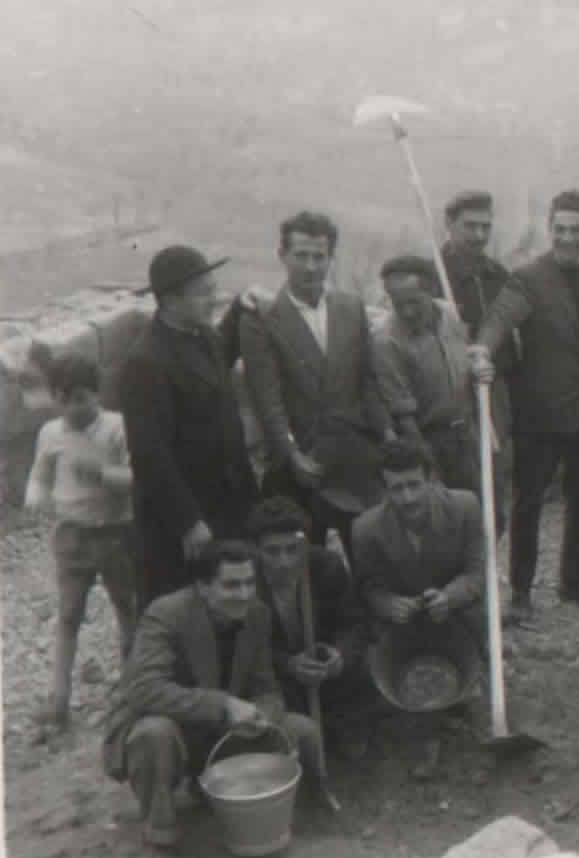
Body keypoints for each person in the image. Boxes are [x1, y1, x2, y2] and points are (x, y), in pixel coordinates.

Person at [101, 541, 323, 848]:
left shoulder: (257, 615)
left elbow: (266, 687)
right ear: (203, 587)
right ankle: (160, 828)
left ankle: (284, 817)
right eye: (231, 585)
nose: (243, 594)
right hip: (172, 727)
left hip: (223, 732)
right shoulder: (166, 613)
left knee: (301, 730)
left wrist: (262, 715)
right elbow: (144, 689)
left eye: (249, 583)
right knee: (153, 734)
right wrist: (224, 705)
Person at [470, 190, 579, 621]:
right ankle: (520, 591)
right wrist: (482, 349)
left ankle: (575, 581)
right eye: (560, 229)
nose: (568, 237)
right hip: (541, 413)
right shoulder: (528, 278)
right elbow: (499, 319)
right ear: (550, 229)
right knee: (528, 504)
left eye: (576, 229)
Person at [240, 211, 394, 550]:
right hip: (298, 464)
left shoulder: (350, 307)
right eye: (301, 256)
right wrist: (292, 454)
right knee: (304, 559)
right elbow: (267, 396)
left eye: (319, 257)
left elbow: (368, 381)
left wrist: (387, 435)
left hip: (353, 457)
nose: (310, 267)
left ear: (330, 258)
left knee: (369, 554)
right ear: (282, 256)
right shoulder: (261, 317)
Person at [119, 245, 259, 608]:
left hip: (225, 503)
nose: (213, 299)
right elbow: (149, 454)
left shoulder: (204, 335)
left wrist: (239, 309)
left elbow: (211, 370)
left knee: (228, 607)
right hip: (185, 520)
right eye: (203, 293)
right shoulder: (146, 361)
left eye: (213, 290)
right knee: (183, 610)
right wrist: (188, 521)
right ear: (170, 300)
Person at [24, 353, 137, 729]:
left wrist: (103, 474)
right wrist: (35, 496)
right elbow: (40, 472)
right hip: (72, 534)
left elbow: (137, 476)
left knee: (127, 605)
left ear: (97, 394)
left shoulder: (116, 427)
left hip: (115, 532)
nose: (74, 408)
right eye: (65, 399)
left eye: (82, 398)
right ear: (55, 398)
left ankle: (133, 685)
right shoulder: (50, 433)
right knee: (69, 613)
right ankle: (59, 698)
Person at [373, 254, 506, 531]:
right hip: (430, 442)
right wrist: (427, 466)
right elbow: (403, 414)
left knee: (492, 516)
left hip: (471, 433)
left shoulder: (450, 315)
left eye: (414, 301)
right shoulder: (386, 340)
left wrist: (478, 368)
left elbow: (470, 356)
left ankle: (486, 558)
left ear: (432, 289)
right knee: (449, 523)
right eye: (398, 303)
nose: (407, 311)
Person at [247, 496, 369, 728]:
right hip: (279, 673)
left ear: (305, 545)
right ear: (256, 550)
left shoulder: (327, 566)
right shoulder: (243, 581)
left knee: (363, 669)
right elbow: (244, 647)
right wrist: (288, 664)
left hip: (325, 664)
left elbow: (354, 622)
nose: (284, 562)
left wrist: (340, 655)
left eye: (292, 550)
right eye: (272, 551)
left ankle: (346, 726)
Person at [352, 438, 485, 647]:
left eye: (414, 485)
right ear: (384, 490)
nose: (408, 498)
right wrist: (388, 604)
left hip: (460, 614)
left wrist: (449, 597)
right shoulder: (365, 529)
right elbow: (369, 588)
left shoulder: (466, 507)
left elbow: (477, 572)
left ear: (431, 479)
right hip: (401, 626)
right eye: (397, 488)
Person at [439, 190, 515, 501]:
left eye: (486, 226)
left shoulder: (498, 275)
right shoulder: (431, 274)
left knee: (495, 478)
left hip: (492, 390)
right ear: (449, 223)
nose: (479, 235)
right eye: (470, 226)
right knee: (456, 480)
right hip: (447, 394)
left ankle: (493, 530)